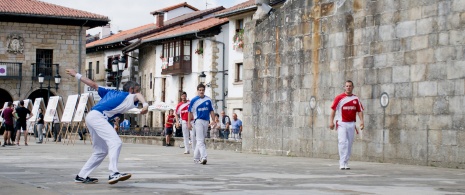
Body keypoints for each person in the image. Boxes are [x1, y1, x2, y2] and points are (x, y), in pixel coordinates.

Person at [66, 68, 149, 184]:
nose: (138, 92)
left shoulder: (111, 92)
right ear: (131, 90)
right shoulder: (129, 96)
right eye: (136, 90)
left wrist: (76, 74)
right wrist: (145, 105)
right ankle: (113, 173)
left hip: (91, 116)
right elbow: (138, 95)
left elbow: (93, 84)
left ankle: (81, 176)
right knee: (116, 142)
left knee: (100, 151)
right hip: (98, 117)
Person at [329, 80, 364, 170]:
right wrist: (331, 121)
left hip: (351, 124)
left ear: (352, 87)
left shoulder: (356, 99)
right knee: (342, 142)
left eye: (350, 86)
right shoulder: (339, 98)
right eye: (347, 86)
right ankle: (342, 162)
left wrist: (362, 121)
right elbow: (333, 110)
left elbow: (360, 111)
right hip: (341, 123)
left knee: (349, 143)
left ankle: (346, 162)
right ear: (344, 87)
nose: (348, 87)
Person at [187, 83, 215, 165]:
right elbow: (190, 112)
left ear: (204, 90)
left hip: (206, 121)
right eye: (200, 90)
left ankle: (196, 158)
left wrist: (213, 120)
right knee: (200, 140)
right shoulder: (193, 100)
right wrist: (189, 123)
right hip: (198, 120)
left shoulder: (208, 100)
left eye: (202, 90)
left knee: (201, 141)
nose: (201, 92)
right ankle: (204, 157)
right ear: (197, 91)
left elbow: (211, 110)